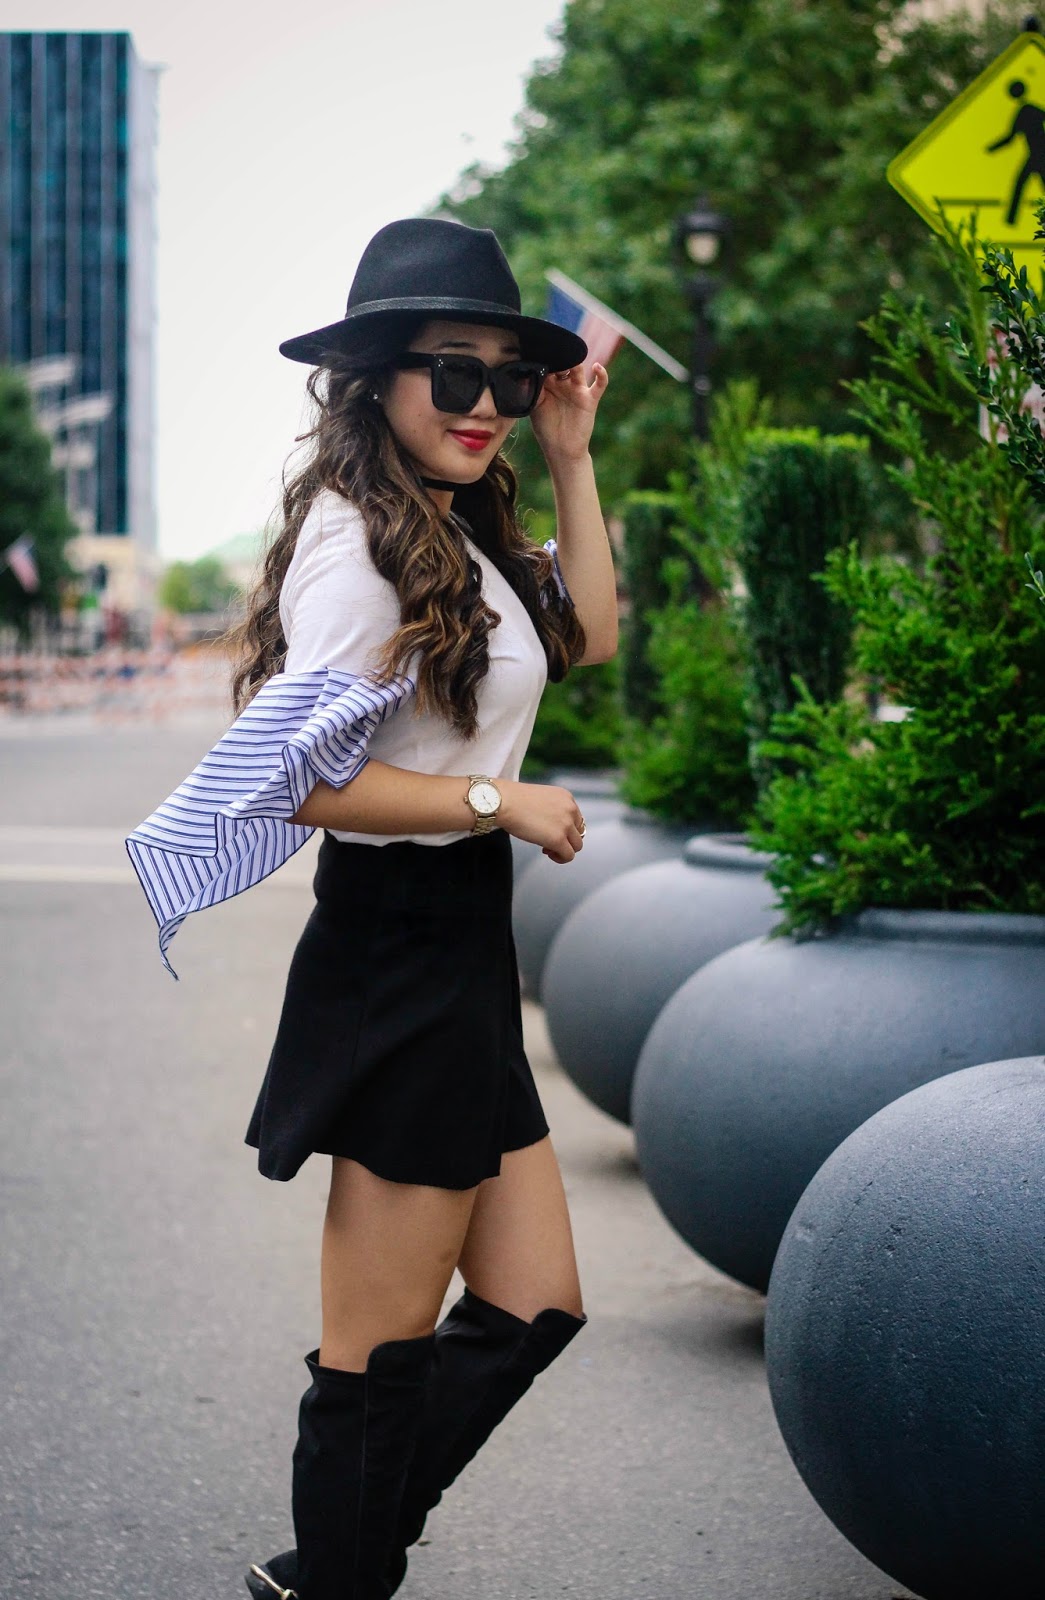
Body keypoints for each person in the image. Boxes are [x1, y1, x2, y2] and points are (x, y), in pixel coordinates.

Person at [124, 216, 617, 1600]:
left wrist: (570, 461)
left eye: (505, 381)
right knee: (376, 1353)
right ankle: (338, 1568)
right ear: (373, 384)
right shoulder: (354, 550)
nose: (481, 405)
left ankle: (332, 1558)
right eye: (447, 374)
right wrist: (493, 804)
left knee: (532, 1312)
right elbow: (292, 786)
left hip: (455, 945)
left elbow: (586, 633)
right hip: (397, 948)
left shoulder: (454, 525)